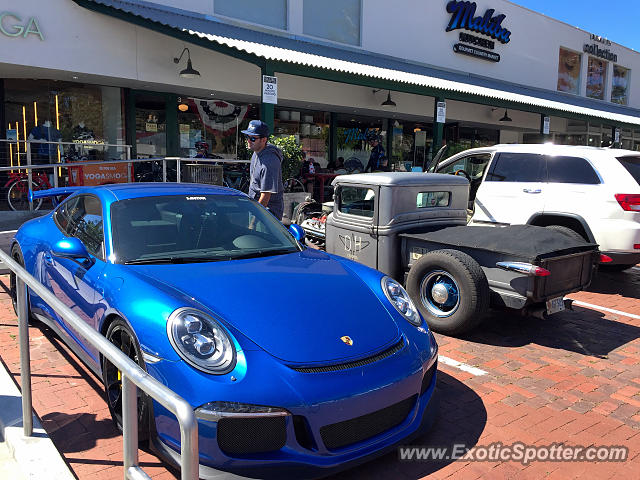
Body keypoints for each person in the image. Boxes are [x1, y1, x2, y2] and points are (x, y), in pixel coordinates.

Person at [241, 120, 284, 221]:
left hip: (267, 214)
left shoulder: (269, 162)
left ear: (264, 140)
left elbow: (265, 196)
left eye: (253, 138)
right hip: (257, 209)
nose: (248, 140)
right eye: (247, 137)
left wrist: (253, 221)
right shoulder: (256, 152)